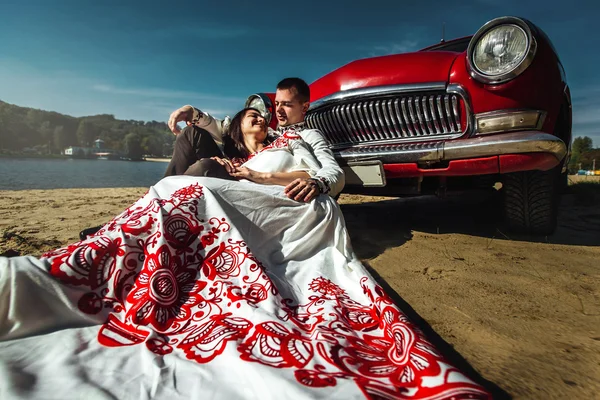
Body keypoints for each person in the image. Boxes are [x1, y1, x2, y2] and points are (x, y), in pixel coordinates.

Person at [166, 77, 344, 203]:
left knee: (206, 166)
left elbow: (332, 169)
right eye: (278, 104)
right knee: (192, 133)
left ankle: (170, 200)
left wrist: (317, 183)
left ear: (304, 106)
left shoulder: (309, 135)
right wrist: (190, 111)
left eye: (287, 105)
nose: (279, 110)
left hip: (259, 189)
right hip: (235, 173)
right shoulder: (268, 132)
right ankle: (164, 194)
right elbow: (224, 127)